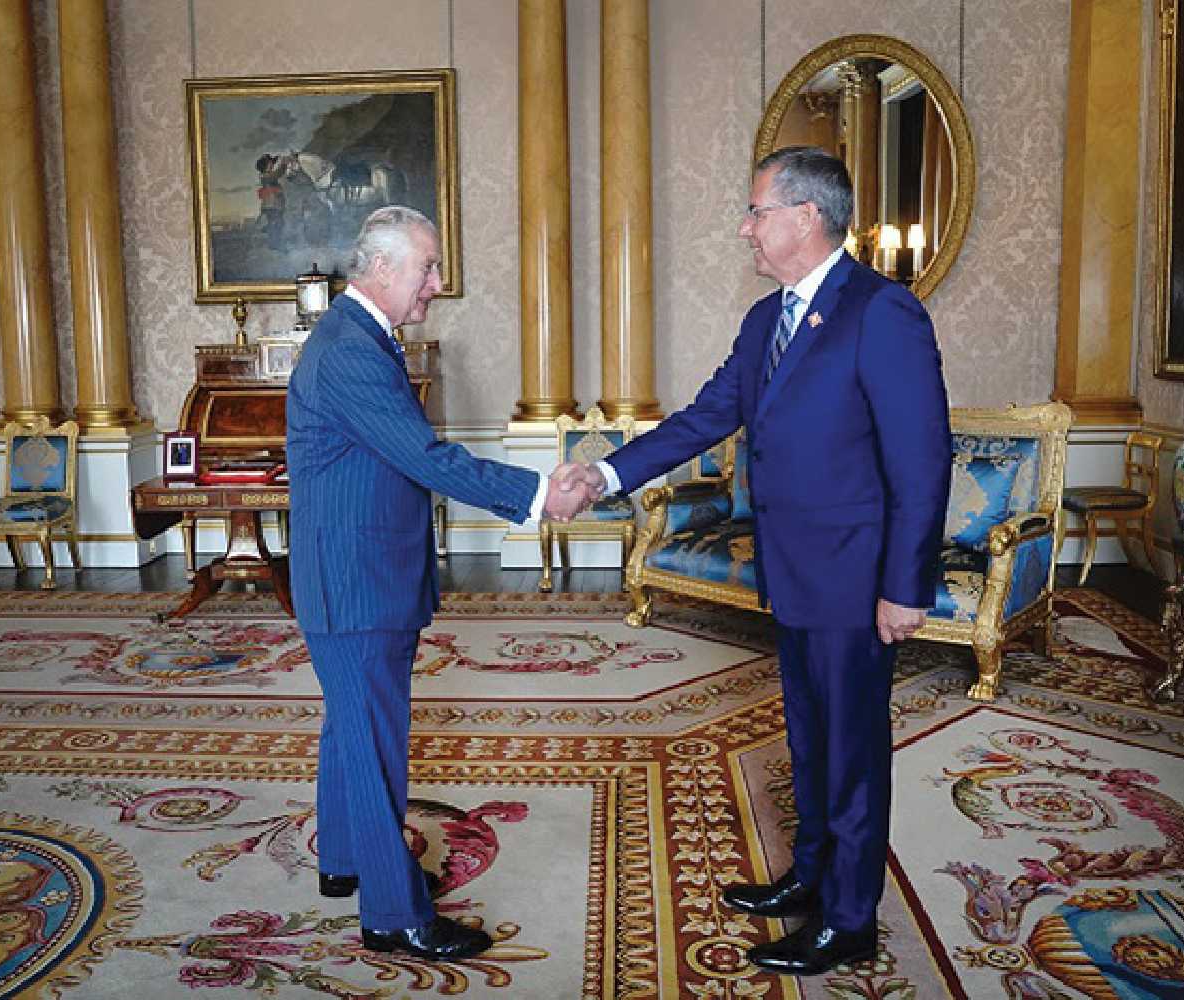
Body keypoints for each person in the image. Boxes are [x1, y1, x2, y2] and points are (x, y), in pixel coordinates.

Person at [558, 147, 951, 975]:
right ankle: (811, 877)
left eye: (755, 211)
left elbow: (923, 460)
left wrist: (905, 588)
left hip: (855, 578)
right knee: (808, 739)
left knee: (852, 750)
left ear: (807, 216)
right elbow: (705, 417)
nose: (745, 228)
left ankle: (850, 920)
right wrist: (606, 472)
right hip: (794, 572)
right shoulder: (763, 320)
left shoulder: (882, 312)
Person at [286, 206, 588, 961]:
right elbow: (423, 455)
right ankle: (395, 915)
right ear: (382, 269)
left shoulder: (356, 338)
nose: (437, 284)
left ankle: (344, 862)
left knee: (349, 726)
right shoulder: (350, 350)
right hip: (357, 586)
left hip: (358, 574)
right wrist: (536, 496)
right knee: (374, 741)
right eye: (428, 267)